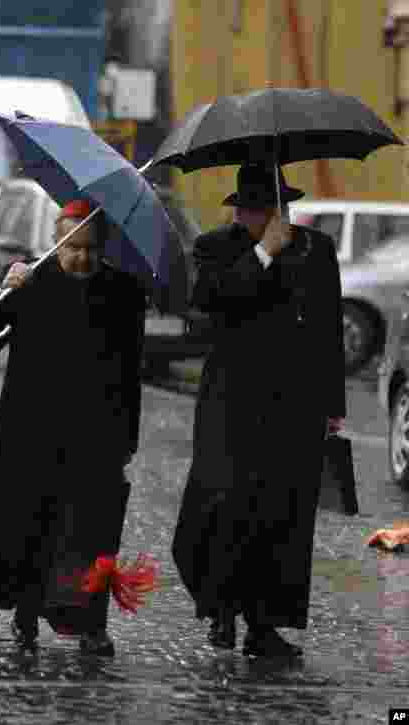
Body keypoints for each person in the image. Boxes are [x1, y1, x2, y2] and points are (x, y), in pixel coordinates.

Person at [172, 163, 345, 657]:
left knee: (282, 516)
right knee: (223, 507)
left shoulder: (316, 250)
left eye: (268, 210)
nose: (260, 218)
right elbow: (210, 301)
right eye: (249, 211)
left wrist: (333, 404)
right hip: (232, 402)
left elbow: (328, 327)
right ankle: (221, 612)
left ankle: (265, 625)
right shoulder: (214, 248)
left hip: (296, 405)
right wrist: (263, 253)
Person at [0, 199, 147, 655]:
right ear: (56, 239)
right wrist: (1, 292)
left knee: (93, 532)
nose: (80, 257)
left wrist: (128, 436)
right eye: (71, 247)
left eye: (89, 248)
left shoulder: (123, 291)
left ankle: (92, 624)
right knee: (30, 526)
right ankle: (25, 616)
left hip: (96, 432)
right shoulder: (29, 279)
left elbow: (131, 369)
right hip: (31, 430)